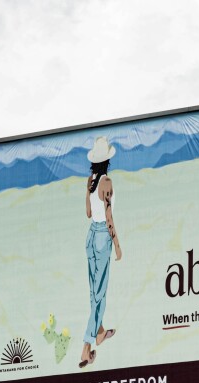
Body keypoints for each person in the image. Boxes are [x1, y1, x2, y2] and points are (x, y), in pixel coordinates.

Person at [80, 136, 122, 368]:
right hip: (102, 237)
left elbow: (88, 212)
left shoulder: (91, 181)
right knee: (101, 292)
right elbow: (108, 216)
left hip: (90, 235)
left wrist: (88, 193)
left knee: (93, 290)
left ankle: (99, 331)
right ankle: (86, 347)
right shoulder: (107, 182)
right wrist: (117, 244)